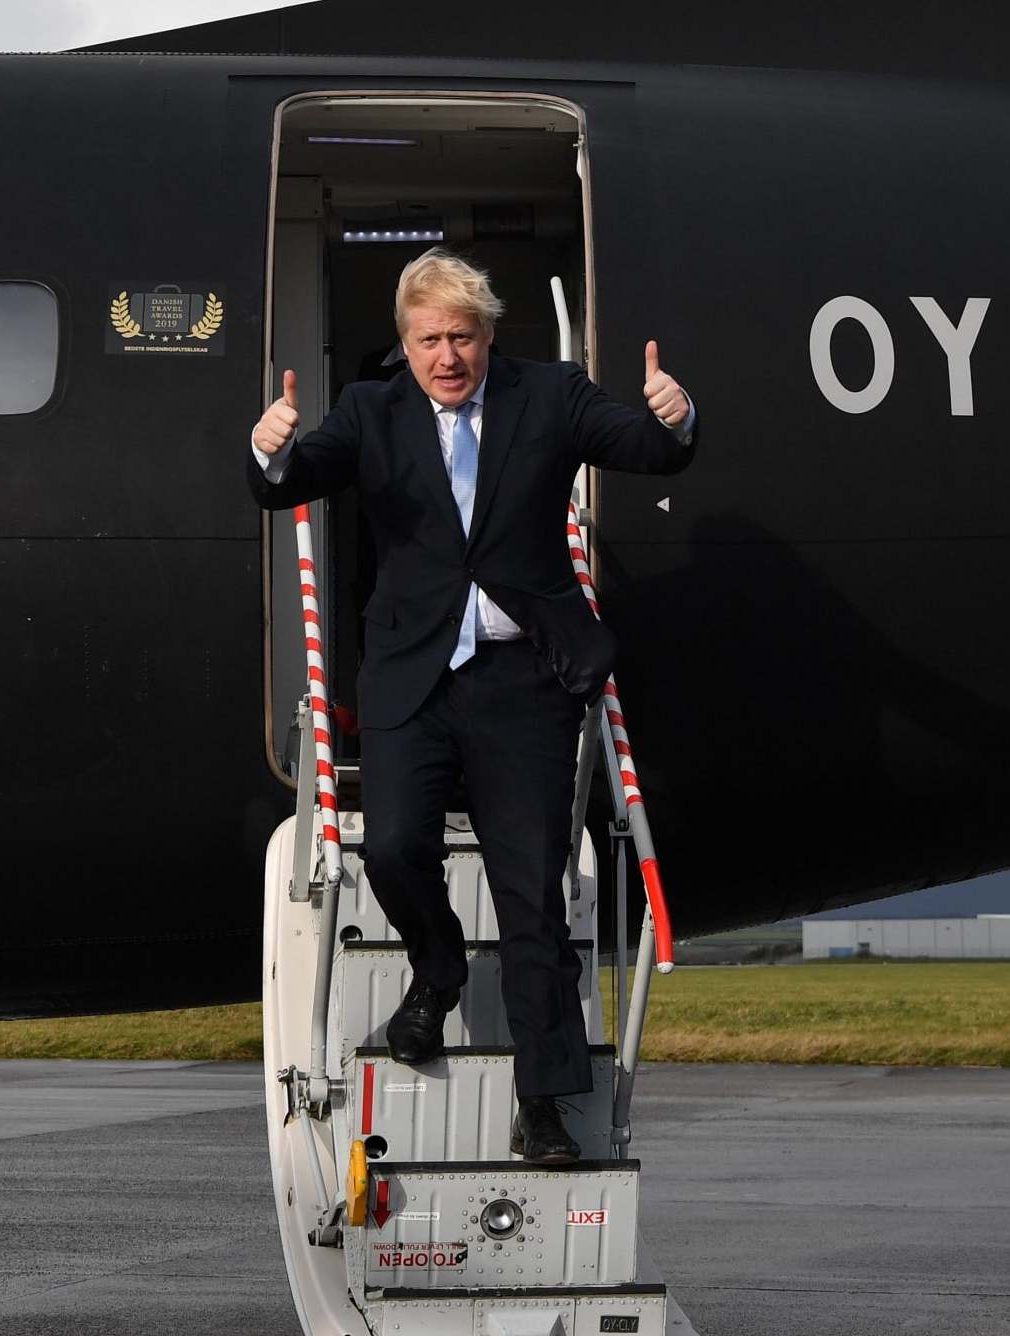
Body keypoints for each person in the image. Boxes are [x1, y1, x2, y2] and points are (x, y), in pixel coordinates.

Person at [248, 249, 695, 1165]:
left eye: (461, 336)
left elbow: (648, 453)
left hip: (524, 681)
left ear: (489, 334)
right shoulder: (372, 413)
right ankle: (438, 967)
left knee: (532, 898)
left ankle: (543, 1105)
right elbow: (289, 481)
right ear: (404, 344)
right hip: (414, 676)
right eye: (427, 339)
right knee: (397, 844)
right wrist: (269, 444)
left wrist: (674, 418)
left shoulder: (552, 395)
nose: (445, 355)